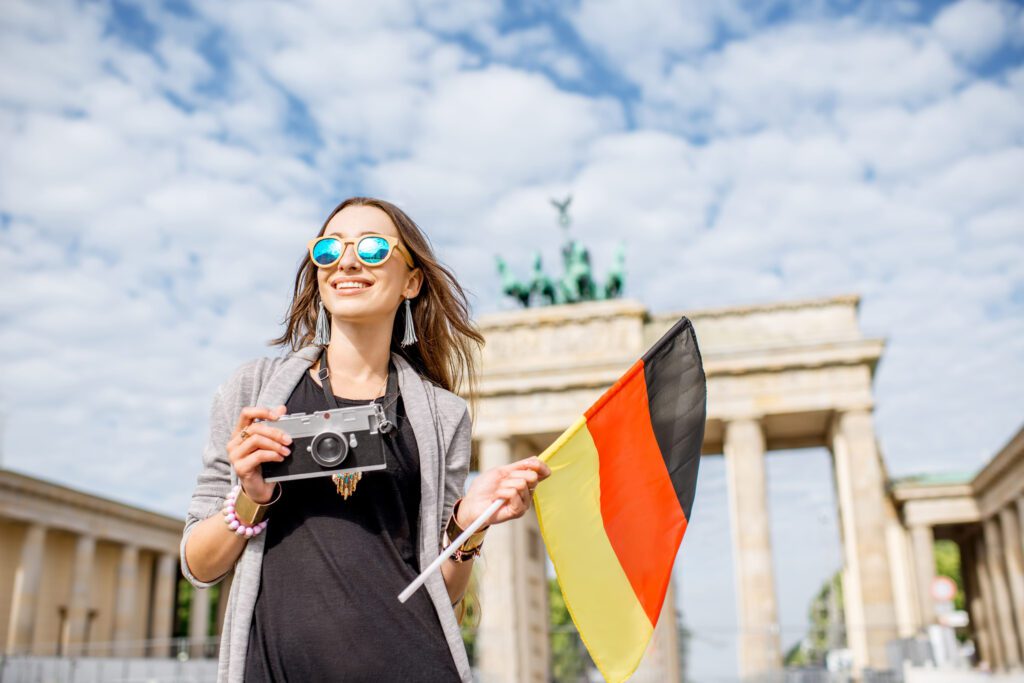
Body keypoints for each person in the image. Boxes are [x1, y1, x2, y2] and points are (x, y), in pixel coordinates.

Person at [180, 197, 551, 682]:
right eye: (329, 249)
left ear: (411, 282)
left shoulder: (443, 415)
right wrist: (251, 497)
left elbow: (442, 593)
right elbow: (199, 566)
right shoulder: (252, 390)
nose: (348, 261)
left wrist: (467, 525)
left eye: (373, 248)